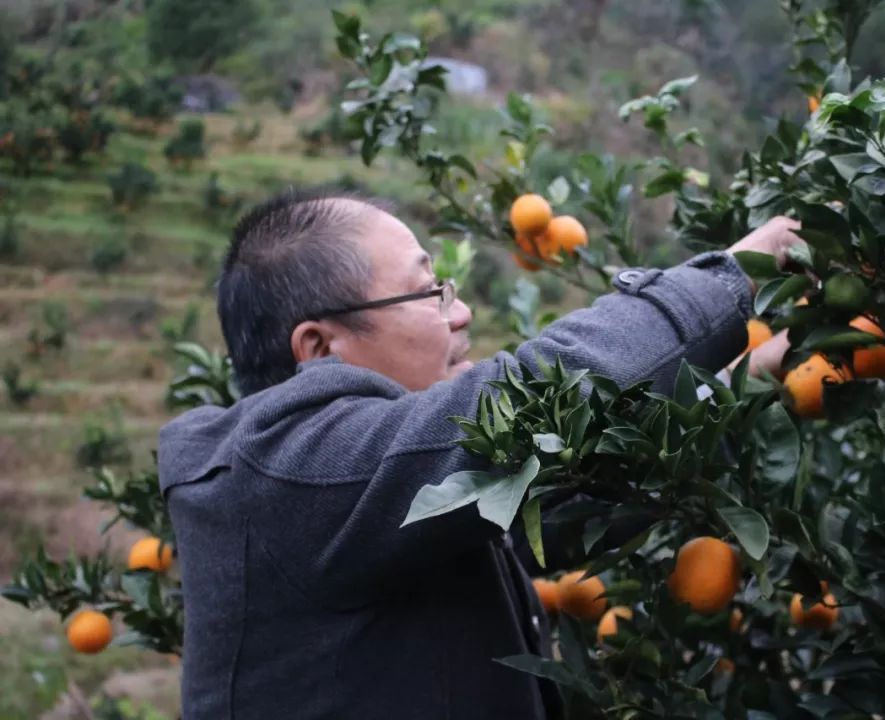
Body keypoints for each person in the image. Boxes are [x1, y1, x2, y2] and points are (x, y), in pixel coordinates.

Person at [157, 189, 800, 719]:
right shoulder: (289, 472)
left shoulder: (397, 502)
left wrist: (749, 384)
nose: (460, 312)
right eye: (428, 291)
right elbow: (531, 389)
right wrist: (729, 278)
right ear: (320, 348)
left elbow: (563, 503)